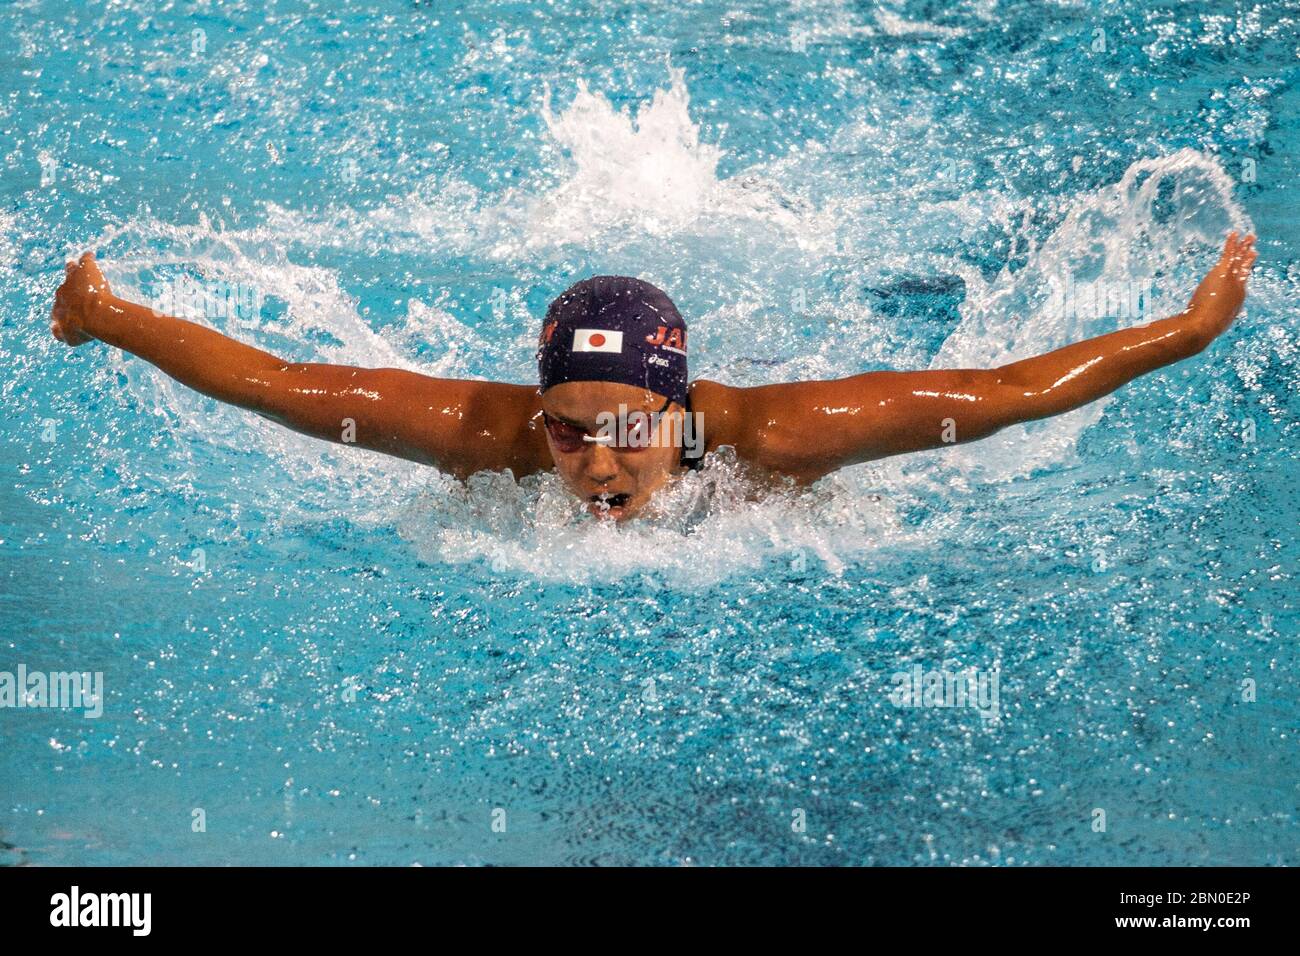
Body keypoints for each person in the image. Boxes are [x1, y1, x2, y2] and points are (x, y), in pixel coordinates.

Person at [49, 233, 1257, 521]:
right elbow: (270, 379)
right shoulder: (489, 437)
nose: (598, 466)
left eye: (629, 427)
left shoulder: (777, 439)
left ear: (678, 406)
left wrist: (1188, 331)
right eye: (569, 433)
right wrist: (104, 312)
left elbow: (1008, 390)